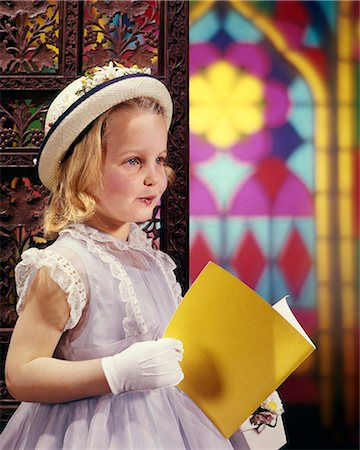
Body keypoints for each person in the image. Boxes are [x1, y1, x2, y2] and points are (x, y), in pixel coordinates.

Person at [0, 62, 285, 450]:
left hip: (171, 427)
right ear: (84, 169)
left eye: (159, 160)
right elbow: (21, 374)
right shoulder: (65, 267)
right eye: (134, 161)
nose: (155, 177)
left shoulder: (150, 260)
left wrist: (242, 380)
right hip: (95, 434)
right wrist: (116, 372)